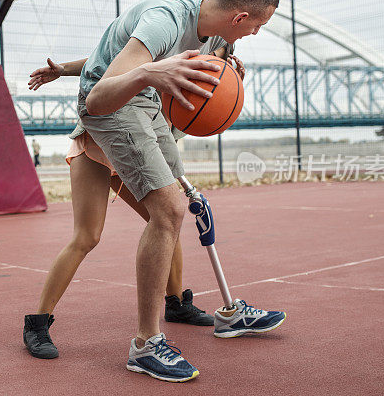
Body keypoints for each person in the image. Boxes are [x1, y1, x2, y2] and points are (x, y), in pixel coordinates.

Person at [26, 0, 283, 382]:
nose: (256, 33)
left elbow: (119, 53)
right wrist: (147, 74)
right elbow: (98, 94)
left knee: (182, 204)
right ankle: (142, 344)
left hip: (143, 105)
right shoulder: (165, 18)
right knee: (145, 216)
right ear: (239, 17)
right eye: (258, 24)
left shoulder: (215, 27)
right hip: (109, 107)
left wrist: (225, 74)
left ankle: (200, 306)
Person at [22, 36, 236, 362]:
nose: (209, 66)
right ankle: (37, 323)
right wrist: (63, 70)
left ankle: (176, 302)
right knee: (87, 236)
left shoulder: (190, 89)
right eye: (210, 58)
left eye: (217, 62)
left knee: (166, 216)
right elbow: (107, 62)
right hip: (95, 144)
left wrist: (229, 92)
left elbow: (189, 121)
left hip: (134, 149)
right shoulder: (165, 60)